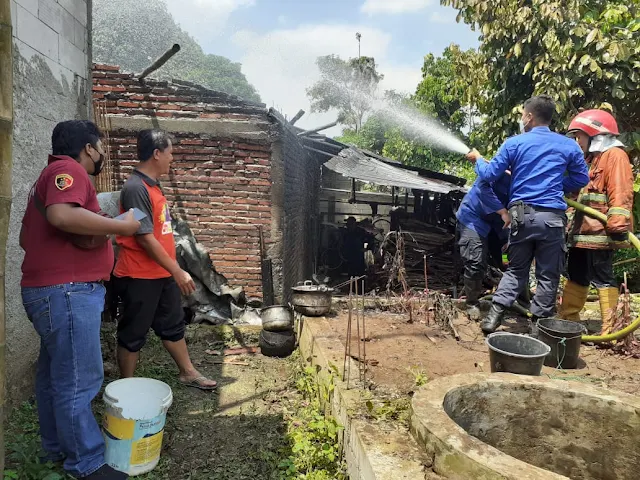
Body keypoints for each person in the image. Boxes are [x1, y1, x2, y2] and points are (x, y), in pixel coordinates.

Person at [20, 120, 140, 479]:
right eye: (100, 147)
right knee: (78, 379)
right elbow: (60, 215)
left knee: (55, 376)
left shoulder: (51, 175)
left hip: (53, 292)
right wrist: (121, 226)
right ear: (89, 148)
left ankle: (55, 447)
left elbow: (37, 235)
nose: (101, 153)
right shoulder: (66, 170)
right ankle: (87, 463)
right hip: (68, 293)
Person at [466, 95, 590, 333]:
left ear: (530, 116)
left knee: (516, 270)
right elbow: (582, 178)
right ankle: (537, 329)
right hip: (552, 219)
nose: (522, 118)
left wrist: (478, 159)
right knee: (547, 274)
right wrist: (556, 185)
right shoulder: (568, 145)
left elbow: (490, 174)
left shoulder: (514, 143)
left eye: (523, 114)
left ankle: (493, 318)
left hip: (521, 216)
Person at [113, 129, 217, 390]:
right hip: (139, 275)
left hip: (160, 273)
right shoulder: (135, 188)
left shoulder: (152, 186)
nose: (172, 158)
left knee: (173, 324)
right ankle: (126, 388)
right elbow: (145, 237)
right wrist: (178, 271)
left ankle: (188, 372)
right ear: (157, 153)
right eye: (170, 153)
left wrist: (172, 270)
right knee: (133, 333)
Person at [558, 110, 634, 335]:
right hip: (582, 234)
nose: (577, 141)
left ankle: (610, 329)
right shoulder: (590, 160)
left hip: (602, 233)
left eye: (579, 136)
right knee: (576, 274)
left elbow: (621, 191)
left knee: (602, 277)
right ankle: (568, 321)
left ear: (595, 135)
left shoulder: (615, 156)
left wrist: (618, 224)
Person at [456, 172, 511, 320]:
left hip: (500, 226)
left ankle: (521, 299)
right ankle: (472, 303)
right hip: (474, 219)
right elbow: (482, 189)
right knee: (476, 261)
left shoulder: (526, 175)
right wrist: (502, 211)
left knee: (510, 261)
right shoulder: (497, 167)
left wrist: (507, 238)